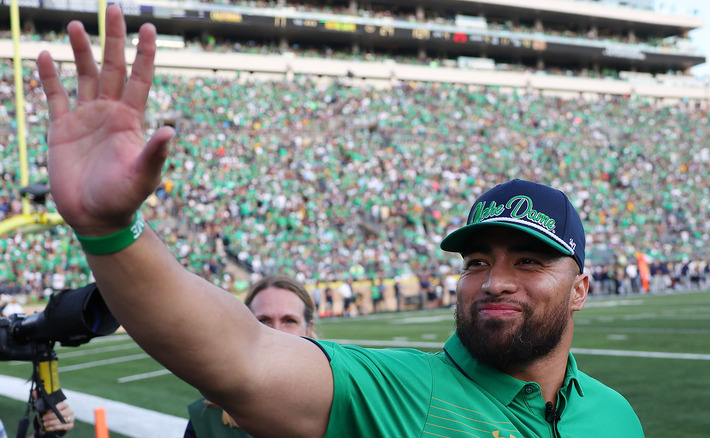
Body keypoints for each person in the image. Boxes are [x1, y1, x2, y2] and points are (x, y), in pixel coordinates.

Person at [37, 6, 643, 437]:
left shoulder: (616, 417)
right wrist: (109, 230)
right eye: (477, 261)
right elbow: (240, 356)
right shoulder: (396, 391)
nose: (495, 280)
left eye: (529, 260)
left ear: (581, 288)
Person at [183, 275, 315, 438]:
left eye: (289, 320)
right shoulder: (206, 419)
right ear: (245, 327)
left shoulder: (339, 406)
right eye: (263, 320)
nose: (276, 332)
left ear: (308, 330)